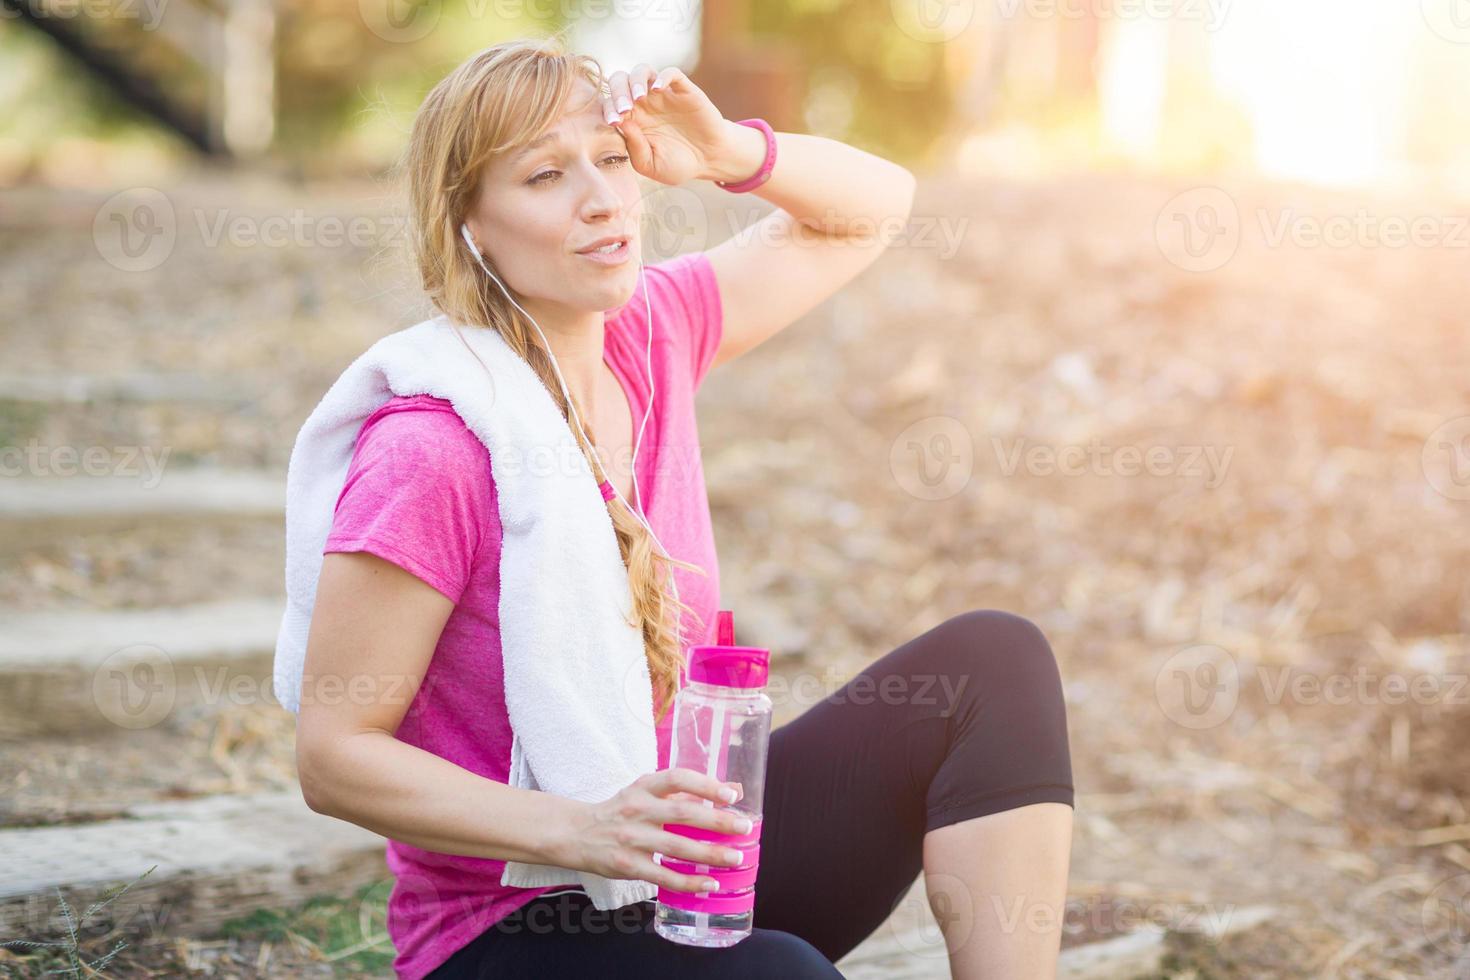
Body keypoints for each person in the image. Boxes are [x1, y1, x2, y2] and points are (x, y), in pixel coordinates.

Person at [293, 32, 1075, 980]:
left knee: (990, 664)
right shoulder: (432, 450)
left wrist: (730, 156)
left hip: (677, 863)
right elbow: (335, 756)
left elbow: (872, 211)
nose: (603, 198)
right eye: (545, 176)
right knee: (783, 973)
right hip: (511, 925)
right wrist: (585, 828)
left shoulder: (651, 332)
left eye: (612, 159)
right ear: (471, 226)